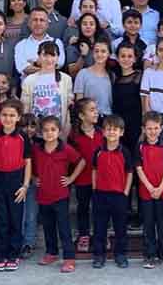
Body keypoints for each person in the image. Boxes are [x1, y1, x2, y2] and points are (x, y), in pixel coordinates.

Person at [32, 116, 85, 273]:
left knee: (64, 227)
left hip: (61, 195)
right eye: (45, 130)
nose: (49, 133)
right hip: (43, 195)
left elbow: (81, 162)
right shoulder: (36, 150)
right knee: (48, 226)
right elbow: (28, 165)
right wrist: (33, 178)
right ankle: (52, 253)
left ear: (59, 132)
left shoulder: (65, 149)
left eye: (53, 130)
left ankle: (69, 258)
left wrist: (71, 178)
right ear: (40, 132)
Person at [0, 100, 32, 272]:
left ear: (18, 117)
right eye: (4, 115)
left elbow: (28, 161)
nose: (8, 118)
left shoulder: (22, 137)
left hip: (16, 181)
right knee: (0, 220)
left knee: (15, 219)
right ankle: (0, 255)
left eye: (12, 115)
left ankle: (13, 255)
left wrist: (25, 185)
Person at [91, 115, 133, 269]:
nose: (112, 132)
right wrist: (95, 188)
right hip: (101, 194)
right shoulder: (98, 151)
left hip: (119, 196)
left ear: (121, 132)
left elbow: (129, 172)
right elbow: (94, 170)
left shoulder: (125, 152)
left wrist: (126, 192)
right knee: (99, 227)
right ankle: (99, 255)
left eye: (115, 129)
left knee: (120, 227)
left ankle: (120, 254)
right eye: (108, 129)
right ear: (103, 132)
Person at [135, 112, 163, 269]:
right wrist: (150, 188)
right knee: (148, 225)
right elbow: (138, 168)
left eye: (156, 128)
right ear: (143, 129)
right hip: (146, 193)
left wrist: (160, 187)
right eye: (149, 128)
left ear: (161, 128)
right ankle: (149, 255)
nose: (152, 131)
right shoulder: (140, 147)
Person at [67, 99, 103, 254]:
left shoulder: (102, 133)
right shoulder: (74, 136)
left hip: (101, 180)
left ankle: (101, 234)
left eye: (96, 109)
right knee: (83, 207)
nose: (96, 112)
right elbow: (71, 160)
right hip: (82, 179)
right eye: (92, 110)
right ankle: (84, 235)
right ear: (82, 116)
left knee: (100, 208)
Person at [21, 41, 73, 139]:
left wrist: (65, 131)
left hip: (58, 132)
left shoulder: (66, 79)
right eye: (45, 55)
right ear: (39, 57)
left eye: (53, 55)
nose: (49, 59)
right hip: (36, 133)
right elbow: (25, 108)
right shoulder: (29, 80)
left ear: (58, 57)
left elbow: (68, 108)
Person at [15, 8, 66, 81]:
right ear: (29, 23)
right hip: (29, 87)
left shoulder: (57, 42)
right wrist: (48, 64)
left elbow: (59, 64)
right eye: (35, 20)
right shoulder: (21, 45)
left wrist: (34, 63)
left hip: (52, 86)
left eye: (42, 20)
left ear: (47, 24)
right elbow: (22, 68)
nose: (38, 23)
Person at [112, 42, 143, 161]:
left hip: (135, 124)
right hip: (119, 125)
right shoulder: (114, 78)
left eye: (130, 56)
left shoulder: (139, 76)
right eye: (123, 56)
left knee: (135, 158)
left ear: (135, 59)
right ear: (117, 58)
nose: (126, 59)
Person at [73, 38, 113, 117]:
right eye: (96, 51)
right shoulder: (83, 74)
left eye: (103, 51)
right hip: (89, 118)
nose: (99, 54)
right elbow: (79, 102)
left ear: (109, 54)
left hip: (107, 118)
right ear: (92, 53)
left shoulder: (112, 75)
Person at [19, 114, 39, 259]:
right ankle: (18, 242)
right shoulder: (17, 141)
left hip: (33, 184)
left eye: (32, 126)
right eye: (25, 126)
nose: (29, 129)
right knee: (20, 214)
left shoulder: (40, 143)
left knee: (31, 215)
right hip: (17, 182)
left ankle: (28, 243)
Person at [65, 13, 106, 78]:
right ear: (80, 27)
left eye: (91, 24)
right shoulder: (73, 47)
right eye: (84, 24)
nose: (88, 27)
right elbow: (72, 73)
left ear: (96, 27)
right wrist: (83, 56)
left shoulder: (103, 45)